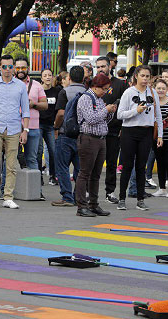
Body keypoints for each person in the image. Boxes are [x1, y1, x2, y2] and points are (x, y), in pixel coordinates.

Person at [0, 54, 30, 209]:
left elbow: (26, 110)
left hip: (15, 129)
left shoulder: (21, 86)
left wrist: (25, 130)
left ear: (14, 68)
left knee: (11, 165)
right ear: (0, 67)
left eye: (11, 67)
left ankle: (8, 197)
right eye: (5, 67)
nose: (8, 70)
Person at [115, 65, 162, 211]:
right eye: (142, 76)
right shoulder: (129, 93)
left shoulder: (153, 93)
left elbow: (158, 116)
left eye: (148, 76)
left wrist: (160, 134)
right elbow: (120, 114)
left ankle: (140, 199)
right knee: (127, 166)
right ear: (136, 76)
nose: (145, 79)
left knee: (141, 167)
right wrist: (135, 111)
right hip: (129, 131)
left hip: (146, 132)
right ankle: (122, 198)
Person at [75, 73, 116, 217]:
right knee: (84, 173)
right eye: (104, 89)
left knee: (96, 175)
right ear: (95, 86)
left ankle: (93, 204)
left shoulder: (99, 99)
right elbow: (91, 119)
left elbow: (103, 120)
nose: (105, 92)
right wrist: (106, 110)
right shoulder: (86, 98)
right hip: (88, 139)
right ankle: (81, 206)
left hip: (100, 139)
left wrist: (110, 112)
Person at [94, 56, 128, 204]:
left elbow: (126, 106)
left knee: (112, 163)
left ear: (110, 67)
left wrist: (122, 127)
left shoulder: (120, 84)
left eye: (103, 66)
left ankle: (110, 191)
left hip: (114, 130)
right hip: (95, 130)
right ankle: (91, 191)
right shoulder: (92, 84)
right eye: (98, 67)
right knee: (94, 163)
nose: (101, 69)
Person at [51, 66, 84, 207]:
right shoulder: (88, 93)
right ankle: (79, 196)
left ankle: (67, 197)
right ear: (83, 78)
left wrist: (56, 127)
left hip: (66, 133)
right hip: (82, 135)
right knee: (80, 168)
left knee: (62, 166)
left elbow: (60, 113)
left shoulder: (65, 92)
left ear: (69, 78)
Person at [14, 56, 47, 198]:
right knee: (10, 159)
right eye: (18, 68)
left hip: (33, 127)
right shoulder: (9, 84)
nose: (20, 70)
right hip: (13, 127)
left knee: (32, 159)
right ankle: (6, 191)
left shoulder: (37, 85)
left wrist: (33, 104)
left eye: (23, 68)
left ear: (28, 69)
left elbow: (45, 105)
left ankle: (36, 191)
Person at [39, 68, 60, 186]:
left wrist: (56, 126)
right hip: (38, 124)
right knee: (39, 150)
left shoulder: (56, 91)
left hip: (51, 125)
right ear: (41, 78)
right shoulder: (38, 90)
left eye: (49, 75)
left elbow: (58, 109)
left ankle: (53, 175)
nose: (47, 77)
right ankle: (38, 176)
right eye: (45, 75)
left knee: (53, 150)